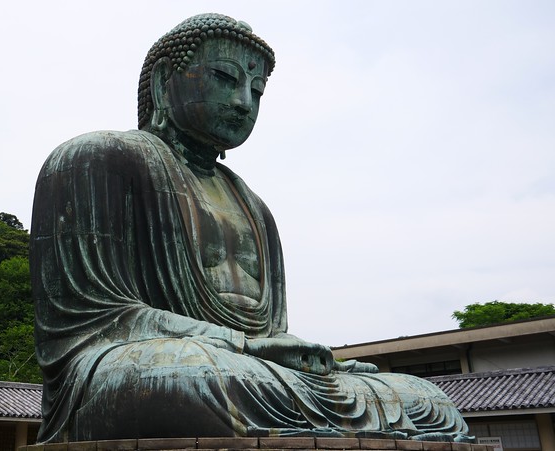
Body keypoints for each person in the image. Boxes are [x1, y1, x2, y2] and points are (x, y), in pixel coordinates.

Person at [30, 13, 471, 444]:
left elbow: (270, 333)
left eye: (256, 91)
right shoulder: (97, 158)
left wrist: (292, 354)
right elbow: (96, 322)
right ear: (166, 80)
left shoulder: (254, 207)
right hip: (141, 364)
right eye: (225, 77)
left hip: (251, 368)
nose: (243, 102)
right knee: (192, 378)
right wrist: (238, 344)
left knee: (425, 399)